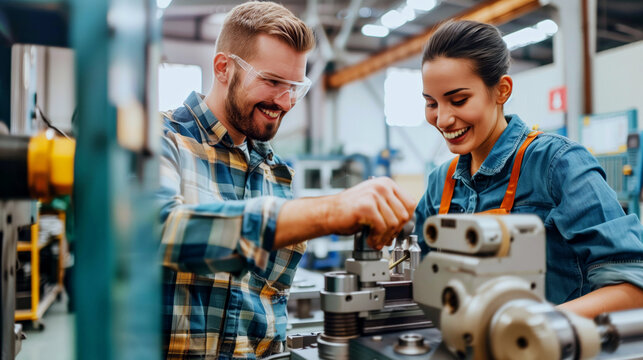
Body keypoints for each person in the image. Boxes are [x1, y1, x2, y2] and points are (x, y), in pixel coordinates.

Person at [156, 2, 415, 359]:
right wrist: (326, 213)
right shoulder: (160, 140)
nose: (286, 101)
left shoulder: (275, 172)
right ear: (223, 68)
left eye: (295, 86)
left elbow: (266, 307)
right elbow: (161, 233)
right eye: (273, 81)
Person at [413, 20, 643, 319]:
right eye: (432, 103)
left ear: (502, 91)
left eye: (458, 100)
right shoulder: (441, 183)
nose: (442, 119)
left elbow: (633, 286)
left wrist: (531, 326)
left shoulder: (558, 164)